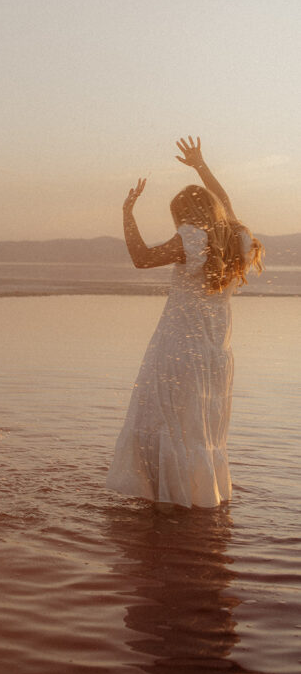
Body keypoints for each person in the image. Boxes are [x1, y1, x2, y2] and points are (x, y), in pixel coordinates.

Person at [106, 137, 263, 509]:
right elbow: (225, 202)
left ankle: (165, 503)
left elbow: (142, 259)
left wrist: (127, 213)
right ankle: (199, 498)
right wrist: (200, 165)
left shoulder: (193, 239)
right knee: (199, 430)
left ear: (184, 215)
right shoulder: (235, 237)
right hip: (214, 355)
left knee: (162, 420)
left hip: (178, 349)